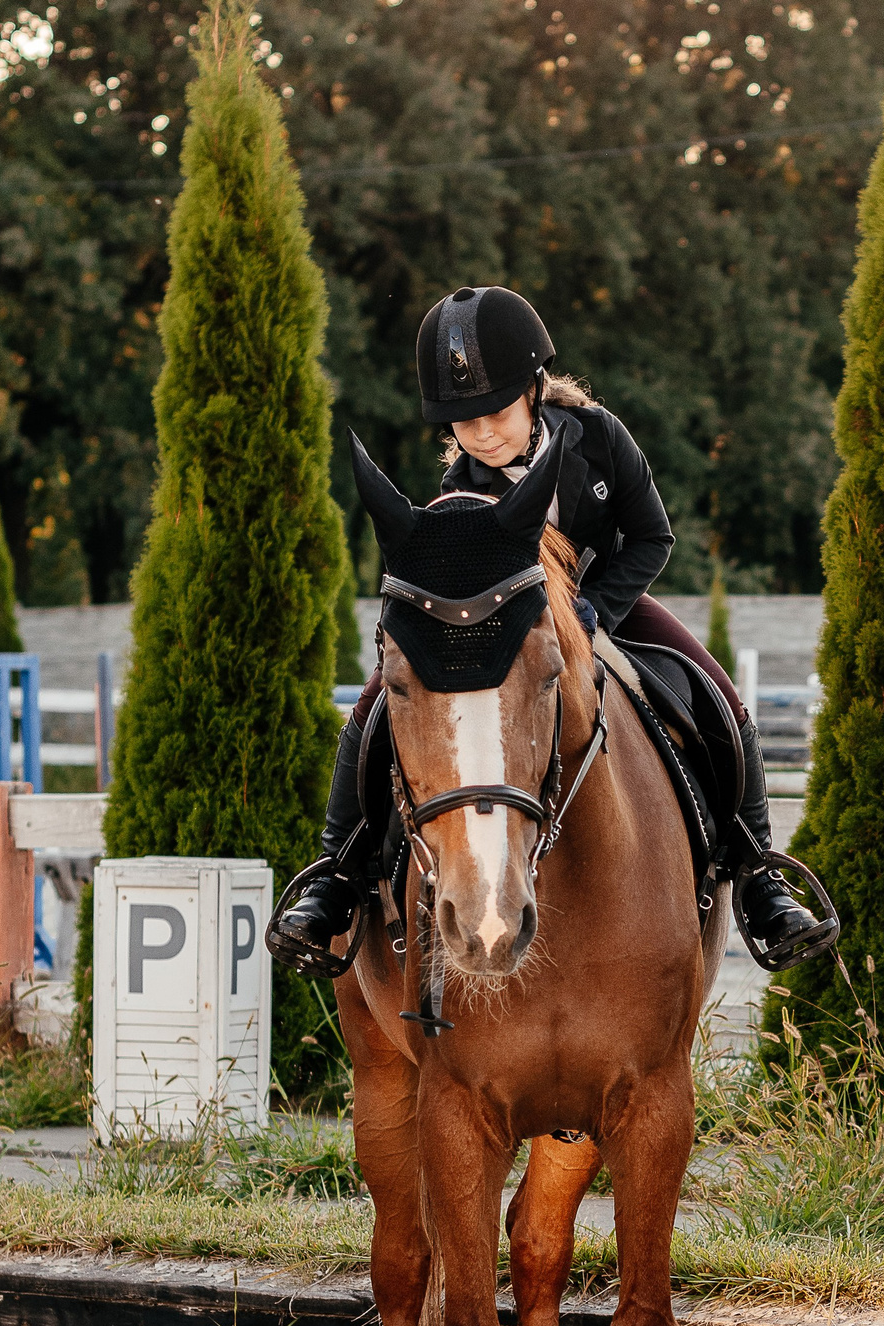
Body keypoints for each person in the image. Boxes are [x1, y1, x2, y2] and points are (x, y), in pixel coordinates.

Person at [270, 284, 837, 974]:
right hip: (509, 636)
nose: (481, 433)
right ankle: (337, 874)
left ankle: (758, 880)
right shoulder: (459, 493)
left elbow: (652, 536)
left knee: (721, 698)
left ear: (535, 389)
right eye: (462, 423)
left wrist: (595, 609)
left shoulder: (598, 436)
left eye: (495, 412)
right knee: (372, 709)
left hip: (607, 603)